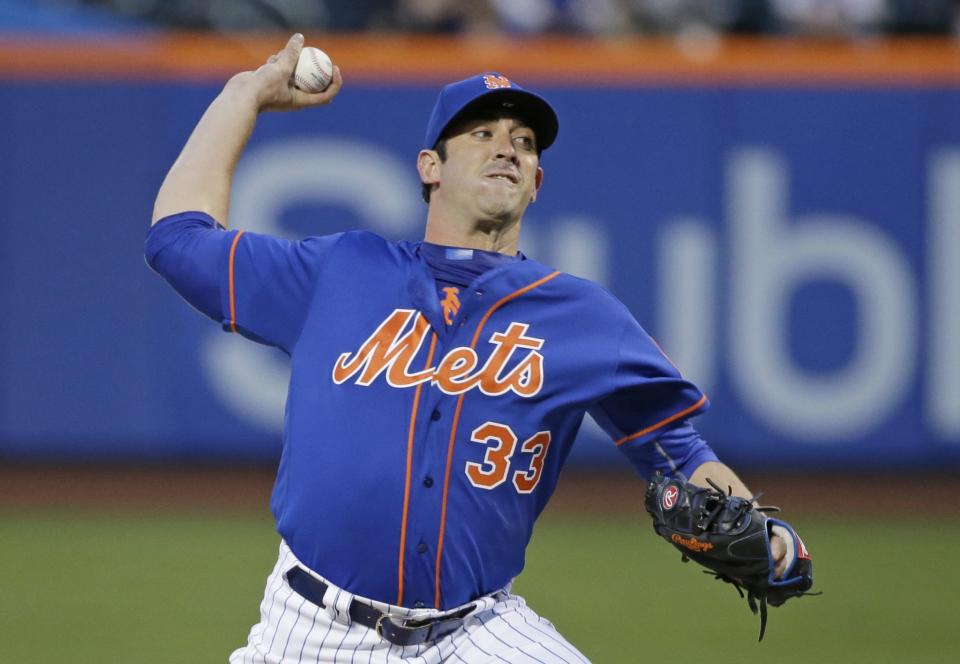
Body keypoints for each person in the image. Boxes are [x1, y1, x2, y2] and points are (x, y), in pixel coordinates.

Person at [146, 34, 791, 663]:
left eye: (524, 142)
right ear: (431, 167)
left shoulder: (583, 317)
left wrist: (774, 539)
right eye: (481, 134)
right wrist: (242, 95)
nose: (507, 148)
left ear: (538, 181)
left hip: (477, 634)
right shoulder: (341, 271)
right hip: (312, 631)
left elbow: (676, 451)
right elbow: (177, 240)